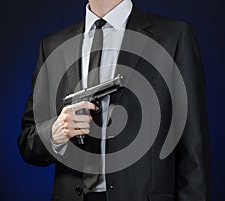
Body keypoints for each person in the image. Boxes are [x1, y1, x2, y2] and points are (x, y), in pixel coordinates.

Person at [17, 0, 211, 201]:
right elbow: (27, 143)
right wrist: (54, 133)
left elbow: (193, 147)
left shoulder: (173, 36)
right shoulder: (51, 46)